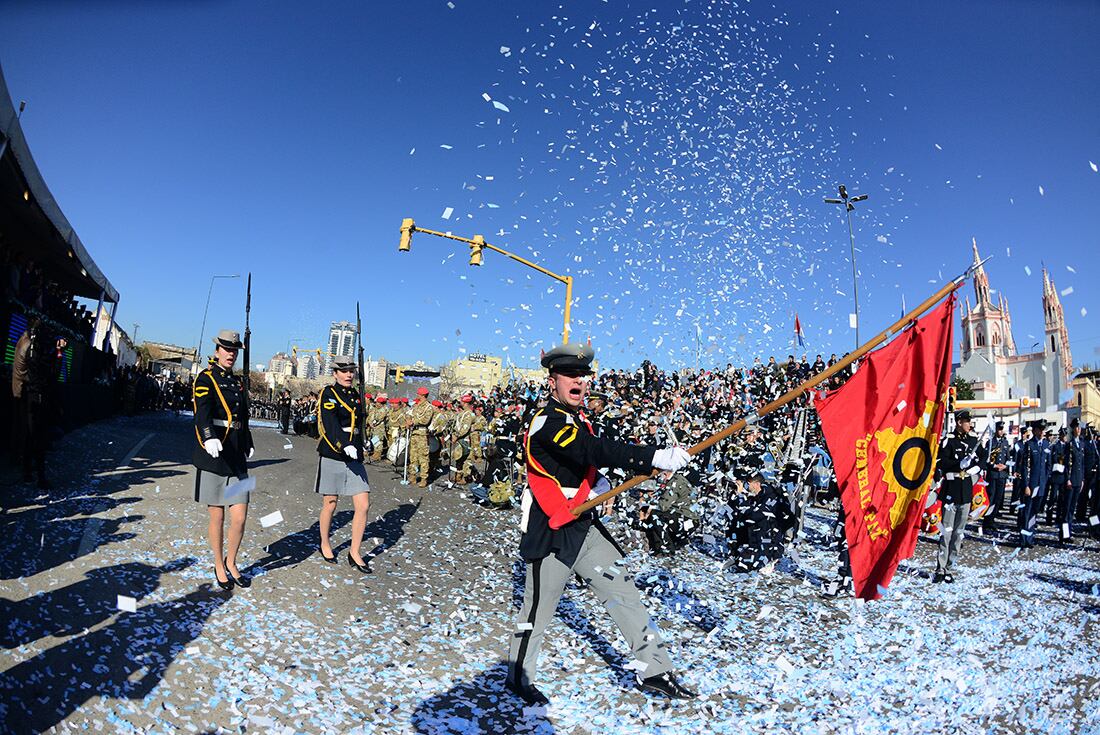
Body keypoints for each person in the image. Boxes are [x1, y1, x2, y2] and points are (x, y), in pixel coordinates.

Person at [506, 343, 695, 706]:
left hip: (585, 527)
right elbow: (590, 451)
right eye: (571, 376)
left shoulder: (580, 420)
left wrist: (611, 480)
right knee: (538, 610)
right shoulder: (549, 421)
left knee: (624, 593)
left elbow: (588, 462)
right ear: (553, 382)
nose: (579, 381)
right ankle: (519, 676)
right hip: (553, 528)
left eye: (583, 376)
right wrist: (653, 455)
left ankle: (655, 670)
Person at [192, 330, 254, 591]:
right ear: (217, 351)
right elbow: (202, 411)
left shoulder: (239, 383)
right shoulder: (205, 378)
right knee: (217, 517)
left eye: (235, 350)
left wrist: (248, 441)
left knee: (240, 516)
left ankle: (232, 561)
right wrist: (208, 437)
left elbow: (243, 416)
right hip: (214, 456)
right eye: (226, 349)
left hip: (236, 457)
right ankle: (219, 563)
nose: (231, 354)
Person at [315, 356, 371, 572]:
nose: (349, 375)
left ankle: (354, 552)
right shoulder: (329, 393)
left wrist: (363, 441)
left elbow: (360, 423)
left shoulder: (356, 395)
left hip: (354, 453)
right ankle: (325, 543)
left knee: (363, 504)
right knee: (330, 503)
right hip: (334, 451)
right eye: (344, 371)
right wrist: (343, 444)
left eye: (351, 371)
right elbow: (329, 424)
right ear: (335, 373)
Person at [10, 317, 67, 489]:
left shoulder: (24, 342)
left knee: (28, 434)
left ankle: (27, 471)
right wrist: (58, 353)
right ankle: (40, 476)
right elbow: (52, 375)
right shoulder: (35, 351)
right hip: (36, 396)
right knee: (38, 437)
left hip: (24, 393)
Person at [933, 410, 978, 582]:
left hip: (965, 491)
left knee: (959, 533)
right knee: (946, 532)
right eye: (967, 421)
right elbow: (941, 462)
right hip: (951, 491)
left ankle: (950, 567)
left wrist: (977, 468)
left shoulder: (973, 441)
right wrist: (958, 464)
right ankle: (940, 567)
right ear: (959, 422)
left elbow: (983, 457)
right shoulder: (948, 441)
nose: (969, 424)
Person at [1016, 420, 1049, 549]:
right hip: (1031, 485)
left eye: (1043, 430)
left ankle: (1030, 537)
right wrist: (1026, 485)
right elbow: (1025, 467)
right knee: (1027, 512)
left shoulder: (1046, 444)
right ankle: (1023, 539)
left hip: (1041, 485)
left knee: (1034, 512)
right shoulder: (1029, 445)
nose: (1041, 432)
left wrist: (1045, 481)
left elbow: (1048, 465)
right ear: (1034, 431)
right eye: (1039, 430)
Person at [981, 421, 1012, 531]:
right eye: (999, 429)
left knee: (998, 499)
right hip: (993, 474)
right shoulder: (990, 442)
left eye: (1002, 429)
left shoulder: (1005, 443)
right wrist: (994, 465)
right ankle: (987, 520)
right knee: (991, 497)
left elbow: (1008, 459)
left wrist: (1005, 466)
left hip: (1002, 474)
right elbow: (986, 459)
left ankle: (992, 519)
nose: (1001, 431)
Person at [1061, 418, 1087, 545]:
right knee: (1066, 510)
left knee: (1072, 509)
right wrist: (1068, 479)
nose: (1079, 429)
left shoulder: (1081, 444)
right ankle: (1064, 535)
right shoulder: (1069, 445)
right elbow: (1067, 464)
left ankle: (1069, 533)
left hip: (1078, 480)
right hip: (1071, 481)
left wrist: (1082, 479)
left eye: (1079, 427)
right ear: (1073, 429)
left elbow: (1081, 464)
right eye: (1076, 427)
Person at [407, 386, 435, 487]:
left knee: (423, 457)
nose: (417, 395)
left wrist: (413, 422)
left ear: (422, 395)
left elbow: (425, 420)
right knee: (413, 456)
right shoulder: (415, 406)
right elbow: (409, 414)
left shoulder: (429, 407)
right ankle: (413, 476)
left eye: (418, 394)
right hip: (414, 433)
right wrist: (408, 420)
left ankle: (424, 478)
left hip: (422, 435)